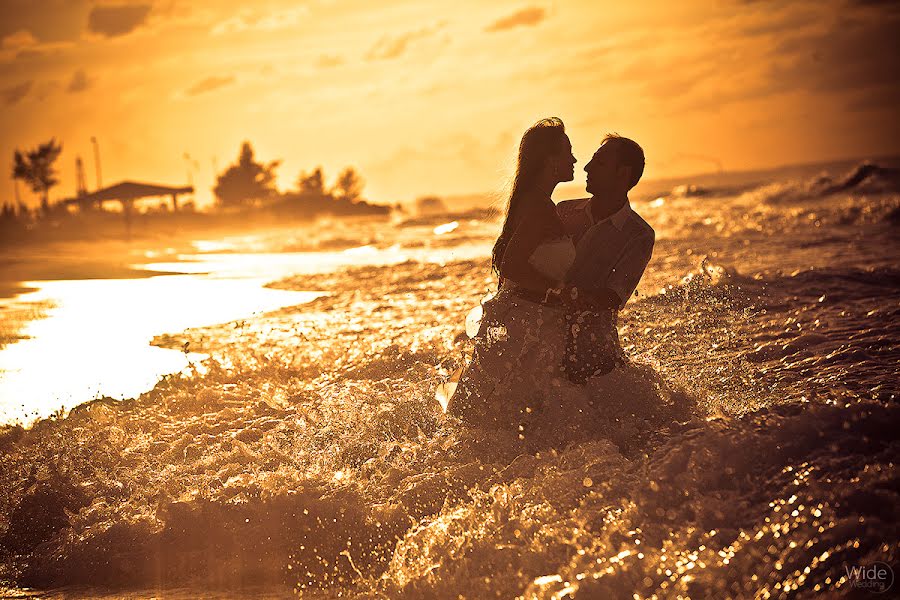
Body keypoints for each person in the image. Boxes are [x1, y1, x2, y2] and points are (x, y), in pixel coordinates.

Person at [439, 117, 577, 427]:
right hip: (523, 323)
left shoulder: (535, 203)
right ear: (550, 160)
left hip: (526, 321)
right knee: (496, 411)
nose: (574, 159)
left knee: (504, 410)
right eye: (568, 151)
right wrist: (560, 290)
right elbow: (512, 264)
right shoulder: (539, 206)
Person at [556, 134, 655, 383]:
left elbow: (614, 297)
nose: (587, 167)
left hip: (594, 358)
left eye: (599, 163)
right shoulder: (563, 211)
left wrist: (569, 295)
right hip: (543, 338)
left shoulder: (638, 234)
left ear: (623, 174)